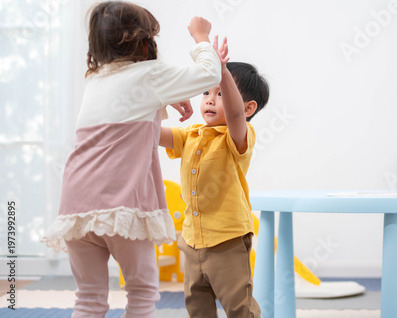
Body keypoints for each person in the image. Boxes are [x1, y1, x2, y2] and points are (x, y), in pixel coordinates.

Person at [41, 2, 222, 317]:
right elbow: (209, 72)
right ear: (143, 42)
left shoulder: (96, 80)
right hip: (122, 206)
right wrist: (201, 37)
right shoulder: (150, 74)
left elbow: (128, 110)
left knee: (88, 299)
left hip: (76, 208)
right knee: (141, 295)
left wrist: (165, 96)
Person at [159, 36, 270, 318]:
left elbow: (233, 115)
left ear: (248, 109)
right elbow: (148, 132)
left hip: (227, 242)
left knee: (239, 307)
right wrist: (162, 97)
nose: (209, 100)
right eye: (206, 93)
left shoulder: (238, 137)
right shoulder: (190, 135)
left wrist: (220, 71)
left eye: (220, 93)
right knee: (196, 307)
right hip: (192, 241)